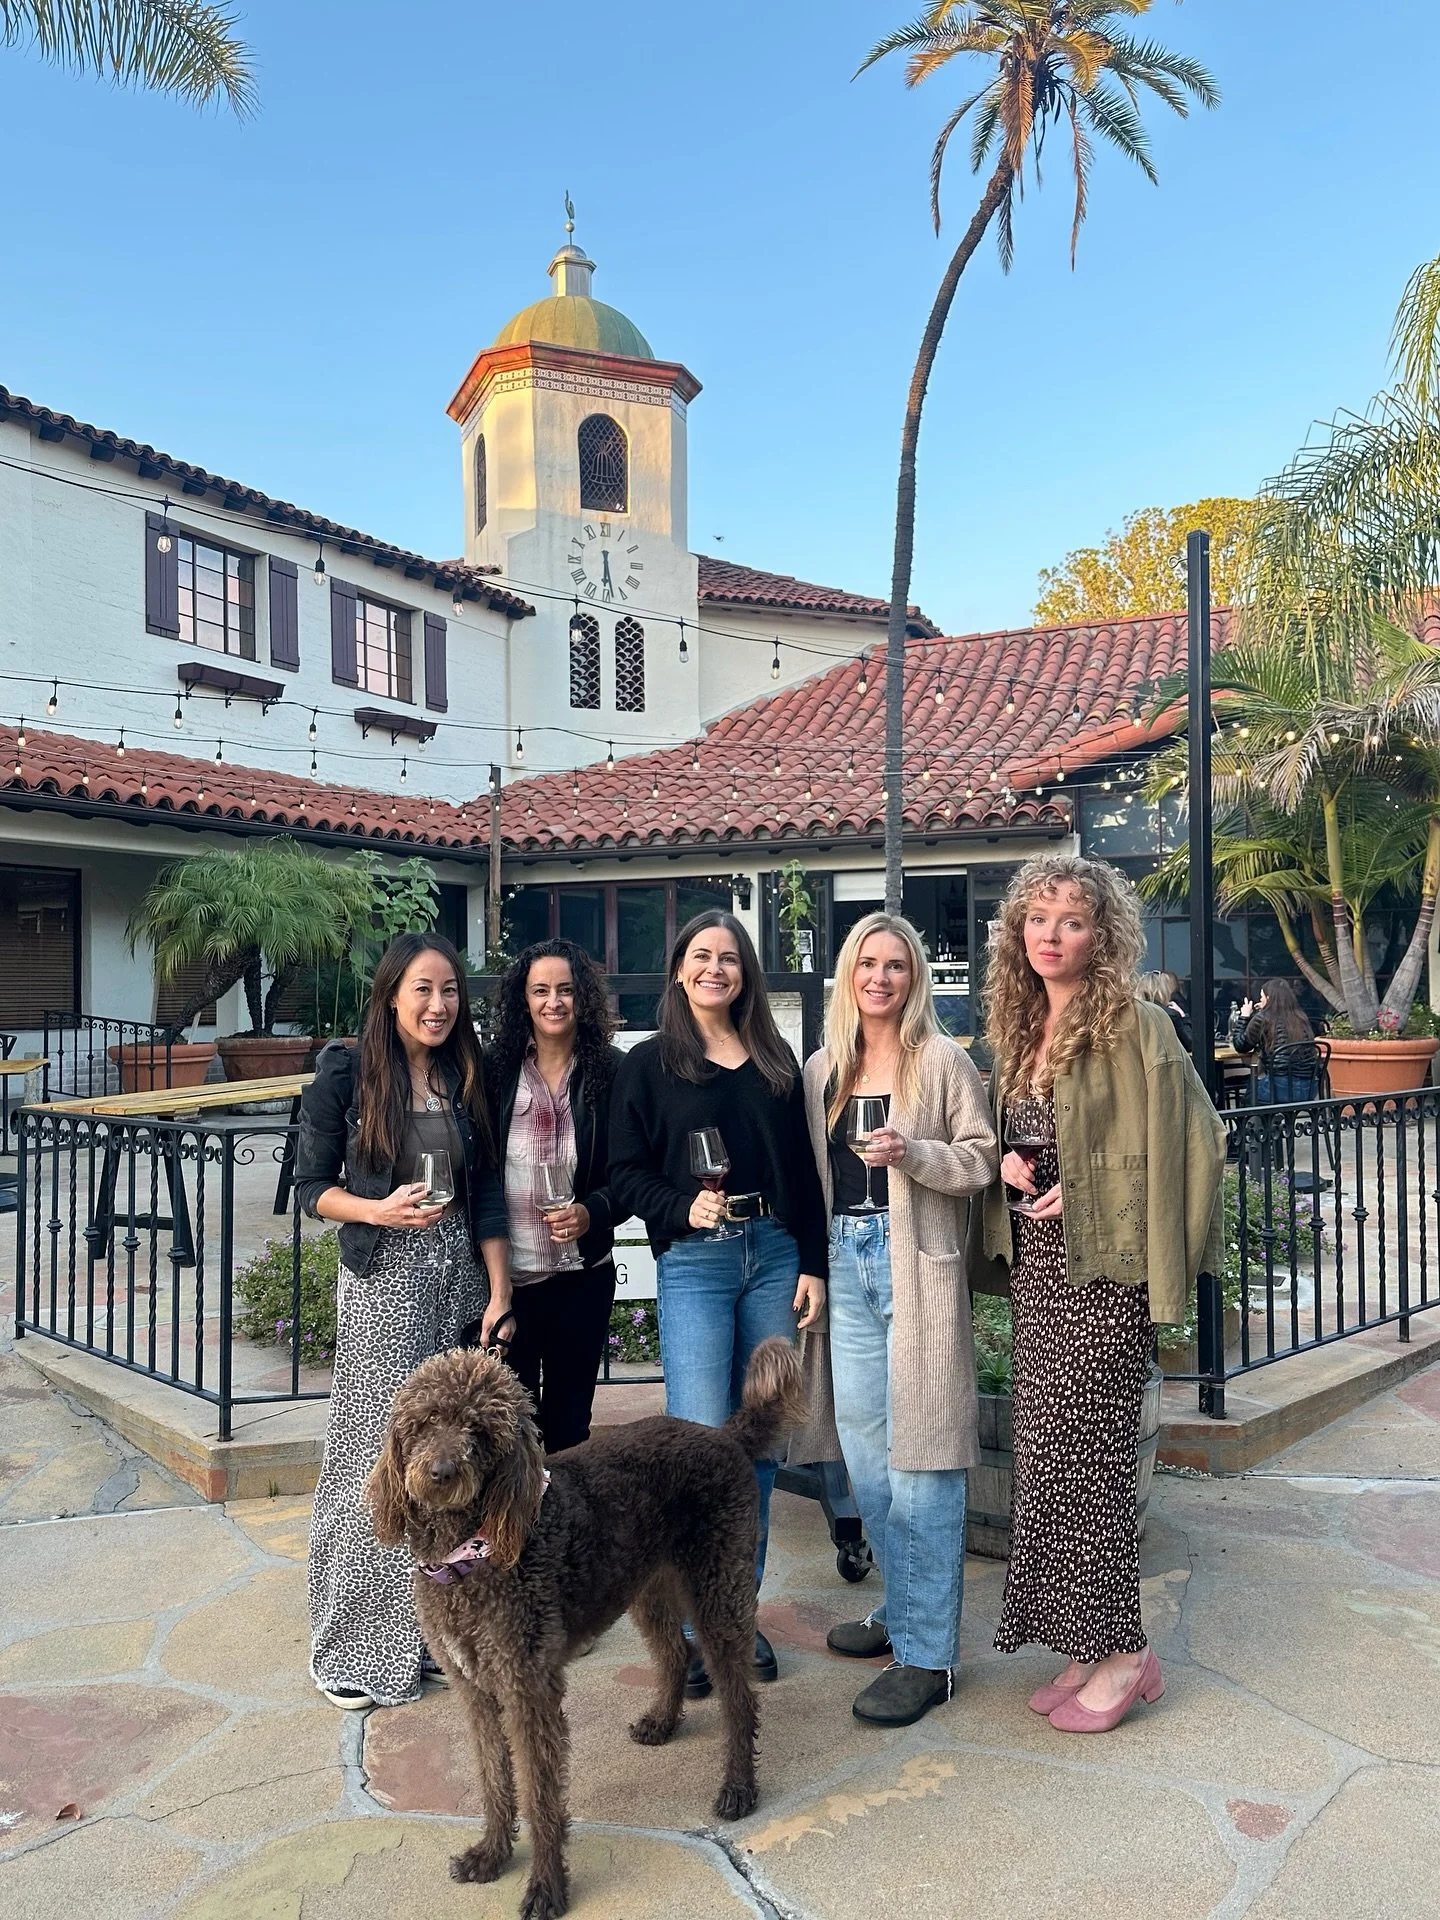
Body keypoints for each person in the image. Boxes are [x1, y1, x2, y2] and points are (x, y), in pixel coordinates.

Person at [972, 855, 1225, 1734]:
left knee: (1094, 1464)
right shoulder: (1019, 1025)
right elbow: (1025, 1136)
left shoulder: (1138, 1025)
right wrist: (1006, 1160)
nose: (1050, 935)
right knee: (1050, 1460)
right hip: (1042, 1274)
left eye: (1071, 920)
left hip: (1106, 1275)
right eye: (1037, 918)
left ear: (1101, 934)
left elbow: (1200, 1139)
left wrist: (1096, 1191)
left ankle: (1126, 1653)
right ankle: (1087, 1641)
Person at [609, 910, 827, 1690]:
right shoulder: (647, 1064)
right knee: (701, 1445)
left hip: (772, 1255)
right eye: (701, 957)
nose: (715, 969)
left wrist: (813, 1261)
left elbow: (802, 1171)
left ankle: (736, 1615)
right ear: (677, 970)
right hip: (696, 1263)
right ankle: (695, 1628)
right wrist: (678, 1208)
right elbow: (622, 1171)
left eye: (729, 959)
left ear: (746, 974)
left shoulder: (774, 1057)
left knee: (759, 1445)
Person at [296, 931, 512, 1711]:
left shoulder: (463, 1075)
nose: (438, 1005)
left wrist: (498, 1290)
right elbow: (311, 1187)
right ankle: (349, 1646)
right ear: (391, 995)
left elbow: (483, 1191)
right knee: (376, 1457)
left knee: (447, 1464)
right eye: (422, 989)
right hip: (386, 1280)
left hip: (455, 1276)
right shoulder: (347, 1075)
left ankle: (418, 1637)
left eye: (449, 990)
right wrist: (378, 1209)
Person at [796, 912, 998, 1728]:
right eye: (868, 964)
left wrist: (913, 1154)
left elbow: (981, 1161)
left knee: (927, 1458)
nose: (881, 978)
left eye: (897, 966)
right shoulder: (821, 1069)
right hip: (845, 1265)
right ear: (848, 976)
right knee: (869, 1457)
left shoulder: (942, 1061)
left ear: (915, 979)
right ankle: (904, 1608)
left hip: (916, 1266)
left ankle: (930, 1657)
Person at [486, 938, 624, 1453]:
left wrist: (594, 1212)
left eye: (565, 990)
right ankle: (512, 1534)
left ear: (582, 998)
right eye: (540, 990)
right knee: (507, 1435)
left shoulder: (611, 1072)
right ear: (522, 999)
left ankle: (564, 1533)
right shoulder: (495, 1072)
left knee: (569, 1429)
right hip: (508, 1280)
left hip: (581, 1279)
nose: (553, 1002)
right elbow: (479, 1172)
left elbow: (630, 1174)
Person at [1230, 978, 1317, 1102]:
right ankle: (1277, 1120)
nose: (1260, 1000)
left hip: (1279, 1088)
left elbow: (1240, 1045)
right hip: (1308, 1089)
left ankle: (1260, 1121)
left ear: (1269, 999)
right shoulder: (1300, 1017)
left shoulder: (1263, 1018)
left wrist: (1244, 1016)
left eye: (1261, 997)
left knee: (1250, 1093)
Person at [1136, 969, 1193, 1054]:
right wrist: (1183, 1016)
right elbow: (1190, 1044)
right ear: (1162, 991)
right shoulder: (1171, 1015)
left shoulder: (1134, 1012)